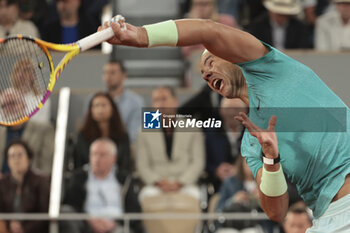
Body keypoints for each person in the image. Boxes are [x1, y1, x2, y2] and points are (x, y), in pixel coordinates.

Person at [100, 9, 350, 232]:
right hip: (328, 218)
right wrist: (271, 160)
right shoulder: (252, 144)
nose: (207, 74)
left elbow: (208, 30)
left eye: (210, 62)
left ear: (232, 56)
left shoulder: (272, 67)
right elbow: (276, 212)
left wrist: (141, 36)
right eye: (203, 75)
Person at [136, 86, 205, 201]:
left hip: (185, 184)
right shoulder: (143, 130)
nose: (160, 104)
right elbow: (142, 165)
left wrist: (180, 182)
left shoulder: (192, 127)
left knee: (195, 196)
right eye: (156, 100)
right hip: (156, 185)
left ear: (175, 102)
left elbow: (198, 162)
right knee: (145, 196)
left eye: (164, 99)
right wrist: (158, 182)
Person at [63, 138, 142, 233]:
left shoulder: (125, 179)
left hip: (117, 226)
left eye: (102, 155)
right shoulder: (79, 177)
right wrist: (88, 219)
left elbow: (134, 210)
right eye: (94, 154)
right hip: (85, 225)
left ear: (113, 158)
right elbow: (71, 205)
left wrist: (115, 223)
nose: (97, 159)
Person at [73, 92, 132, 177]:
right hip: (89, 179)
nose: (100, 110)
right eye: (96, 106)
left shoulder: (122, 135)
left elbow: (125, 164)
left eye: (104, 105)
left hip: (116, 179)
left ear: (112, 109)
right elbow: (79, 164)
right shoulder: (83, 136)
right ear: (91, 110)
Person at [0, 89, 55, 176]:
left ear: (23, 105)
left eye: (12, 103)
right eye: (4, 106)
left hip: (33, 186)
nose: (8, 108)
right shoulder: (1, 132)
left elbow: (47, 166)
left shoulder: (44, 130)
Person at [0, 140, 50, 233]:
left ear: (29, 158)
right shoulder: (2, 183)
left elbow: (44, 213)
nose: (16, 159)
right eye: (12, 156)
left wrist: (24, 228)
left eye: (20, 155)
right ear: (8, 161)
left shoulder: (40, 182)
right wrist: (9, 223)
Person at [204, 98, 247, 192]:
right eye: (228, 109)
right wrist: (216, 170)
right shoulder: (211, 133)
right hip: (218, 184)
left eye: (236, 109)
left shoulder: (252, 133)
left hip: (248, 181)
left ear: (245, 111)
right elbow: (205, 162)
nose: (232, 113)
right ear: (221, 111)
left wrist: (239, 170)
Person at [101, 59, 144, 143]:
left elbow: (135, 134)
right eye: (105, 73)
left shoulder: (137, 102)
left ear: (124, 75)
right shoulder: (94, 101)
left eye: (112, 73)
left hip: (126, 149)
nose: (108, 76)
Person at [246, 0, 313, 50]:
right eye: (279, 14)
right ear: (271, 11)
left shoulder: (299, 27)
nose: (282, 18)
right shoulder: (258, 26)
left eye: (285, 14)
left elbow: (302, 48)